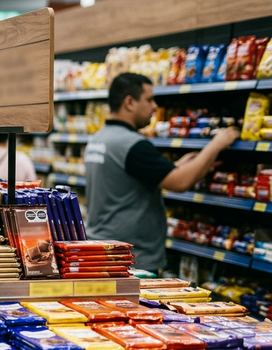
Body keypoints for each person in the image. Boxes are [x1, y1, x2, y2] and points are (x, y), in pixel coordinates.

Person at [83, 73, 240, 272]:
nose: (155, 106)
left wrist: (175, 166)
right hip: (130, 259)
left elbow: (129, 178)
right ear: (130, 102)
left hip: (101, 250)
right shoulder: (132, 144)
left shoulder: (99, 138)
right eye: (149, 99)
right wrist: (216, 144)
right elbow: (180, 183)